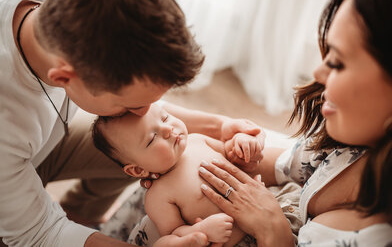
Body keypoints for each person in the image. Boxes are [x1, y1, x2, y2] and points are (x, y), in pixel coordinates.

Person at [0, 0, 261, 246]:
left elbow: (147, 116)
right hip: (1, 192)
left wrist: (220, 125)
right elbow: (39, 233)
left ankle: (83, 214)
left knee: (134, 145)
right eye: (131, 107)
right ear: (64, 77)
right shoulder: (1, 124)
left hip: (32, 153)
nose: (145, 114)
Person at [198, 0, 392, 246]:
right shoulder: (351, 147)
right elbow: (284, 164)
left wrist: (274, 232)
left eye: (337, 62)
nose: (318, 73)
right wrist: (239, 152)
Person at [93, 103, 303, 246]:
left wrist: (241, 146)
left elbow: (234, 157)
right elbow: (172, 236)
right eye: (152, 138)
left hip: (270, 206)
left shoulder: (197, 140)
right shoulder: (158, 195)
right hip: (237, 242)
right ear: (138, 170)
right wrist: (202, 231)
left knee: (299, 200)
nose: (168, 129)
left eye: (165, 117)